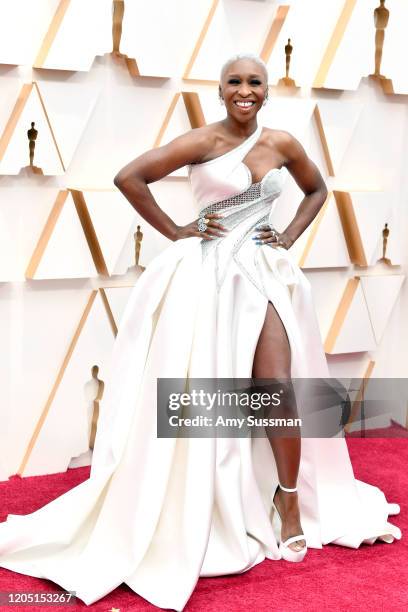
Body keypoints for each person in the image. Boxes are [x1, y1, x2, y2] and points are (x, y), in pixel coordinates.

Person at [0, 53, 401, 611]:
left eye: (254, 82)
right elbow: (129, 178)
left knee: (276, 388)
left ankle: (287, 500)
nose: (245, 90)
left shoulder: (282, 143)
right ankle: (204, 501)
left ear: (266, 90)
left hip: (263, 274)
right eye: (234, 82)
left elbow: (316, 191)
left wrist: (286, 237)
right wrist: (181, 231)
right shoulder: (203, 141)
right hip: (208, 277)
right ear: (220, 91)